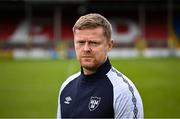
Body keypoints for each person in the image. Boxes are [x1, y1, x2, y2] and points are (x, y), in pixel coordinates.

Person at [57, 13, 144, 118]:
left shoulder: (123, 92)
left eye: (93, 43)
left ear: (109, 45)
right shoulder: (66, 86)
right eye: (80, 42)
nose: (86, 49)